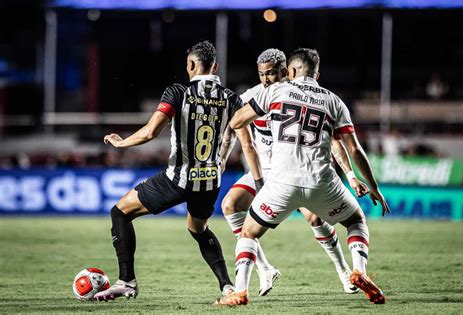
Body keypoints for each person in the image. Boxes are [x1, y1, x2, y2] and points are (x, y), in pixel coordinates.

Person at [216, 48, 390, 306]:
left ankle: (240, 290)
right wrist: (368, 185)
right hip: (316, 179)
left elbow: (236, 121)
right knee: (355, 220)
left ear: (289, 71)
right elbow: (352, 147)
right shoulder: (333, 101)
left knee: (249, 234)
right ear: (317, 74)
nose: (266, 78)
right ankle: (357, 271)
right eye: (262, 74)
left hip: (281, 180)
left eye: (272, 73)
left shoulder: (273, 93)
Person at [94, 41, 252, 301]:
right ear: (216, 66)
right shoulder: (231, 97)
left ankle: (126, 281)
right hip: (210, 181)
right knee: (198, 229)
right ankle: (227, 286)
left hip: (178, 178)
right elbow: (241, 135)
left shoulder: (178, 92)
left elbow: (150, 132)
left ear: (190, 65)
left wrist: (121, 143)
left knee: (119, 212)